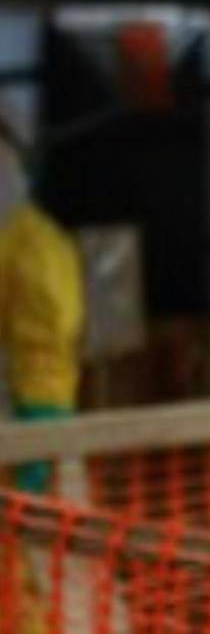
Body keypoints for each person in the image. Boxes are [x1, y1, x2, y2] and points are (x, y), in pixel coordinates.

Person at [0, 121, 83, 494]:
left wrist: (41, 407)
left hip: (29, 407)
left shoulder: (31, 245)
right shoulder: (32, 240)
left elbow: (47, 336)